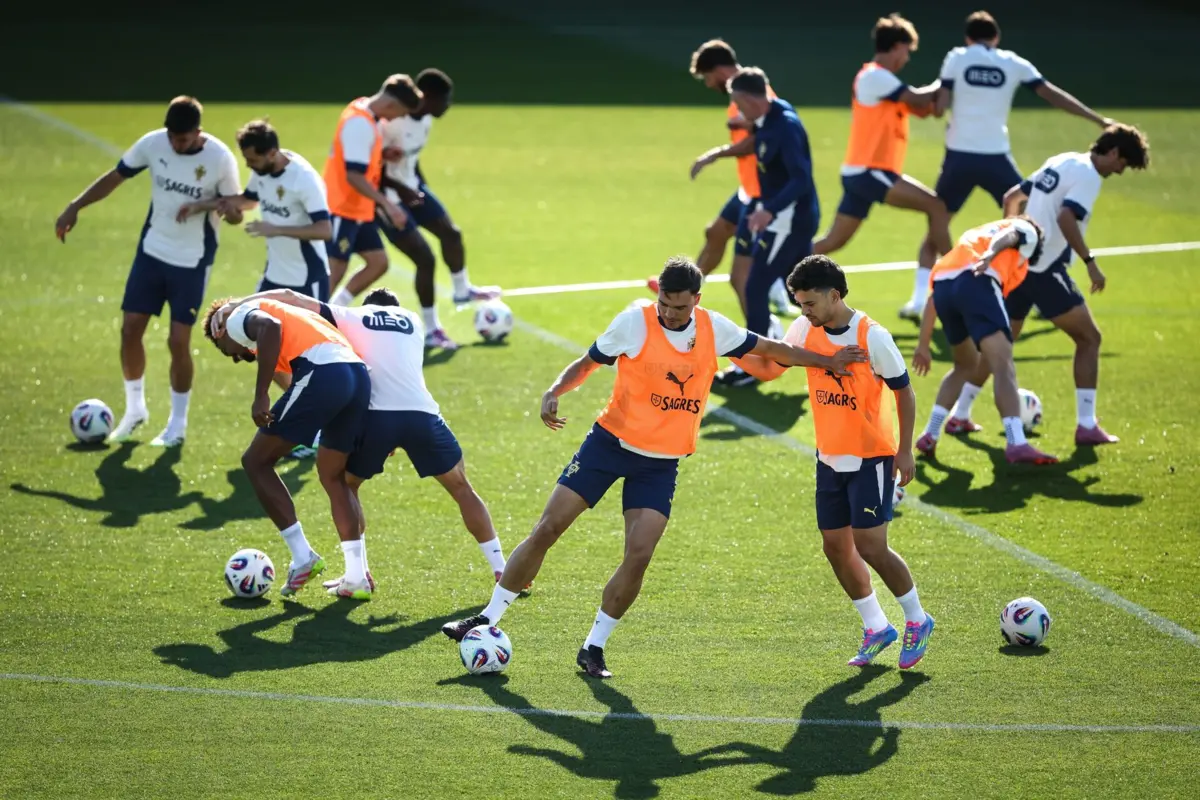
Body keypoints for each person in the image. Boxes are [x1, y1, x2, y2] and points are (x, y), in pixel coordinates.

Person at [439, 256, 868, 678]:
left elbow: (772, 349)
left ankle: (593, 647)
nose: (669, 312)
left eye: (680, 306)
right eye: (665, 302)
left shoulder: (714, 328)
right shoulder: (633, 322)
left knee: (639, 554)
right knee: (548, 529)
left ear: (696, 301)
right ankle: (487, 618)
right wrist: (554, 389)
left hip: (660, 464)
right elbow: (588, 363)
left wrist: (827, 362)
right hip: (609, 445)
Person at [225, 285, 512, 593]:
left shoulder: (351, 315)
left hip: (375, 417)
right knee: (461, 487)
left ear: (369, 306)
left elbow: (293, 299)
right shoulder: (413, 321)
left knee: (345, 484)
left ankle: (357, 575)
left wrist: (239, 304)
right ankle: (503, 570)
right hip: (422, 414)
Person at [735, 255, 933, 669]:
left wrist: (905, 449)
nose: (802, 312)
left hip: (871, 457)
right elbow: (773, 367)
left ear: (834, 296)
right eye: (799, 304)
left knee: (871, 546)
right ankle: (877, 626)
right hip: (830, 457)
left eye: (808, 303)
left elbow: (904, 391)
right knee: (835, 547)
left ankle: (917, 618)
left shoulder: (871, 337)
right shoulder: (806, 328)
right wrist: (727, 348)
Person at [943, 124, 1150, 445]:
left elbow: (1013, 196)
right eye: (1122, 164)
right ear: (1112, 153)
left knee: (999, 346)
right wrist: (1090, 262)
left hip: (1021, 267)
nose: (1120, 172)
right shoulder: (1089, 176)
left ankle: (959, 415)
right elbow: (1067, 218)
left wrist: (1011, 244)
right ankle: (1086, 425)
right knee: (1089, 338)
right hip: (1044, 271)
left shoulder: (1064, 160)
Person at [55, 96, 241, 447]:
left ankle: (178, 424)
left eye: (183, 139)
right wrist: (75, 205)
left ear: (197, 133)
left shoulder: (219, 159)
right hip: (152, 252)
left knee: (178, 341)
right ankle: (135, 408)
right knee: (129, 331)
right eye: (172, 137)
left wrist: (222, 209)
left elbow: (237, 212)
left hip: (192, 261)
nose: (175, 144)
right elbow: (116, 176)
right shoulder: (154, 143)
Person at [905, 11, 1113, 323]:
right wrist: (1098, 120)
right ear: (997, 38)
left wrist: (933, 106)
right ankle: (1047, 292)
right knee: (1035, 220)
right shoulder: (1013, 63)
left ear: (967, 37)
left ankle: (920, 299)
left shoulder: (957, 57)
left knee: (938, 221)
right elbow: (1052, 94)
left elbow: (942, 106)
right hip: (996, 157)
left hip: (959, 158)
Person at [202, 297, 371, 599]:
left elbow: (270, 327)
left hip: (324, 371)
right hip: (357, 374)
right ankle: (356, 577)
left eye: (225, 351)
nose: (237, 358)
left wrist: (261, 394)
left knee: (255, 461)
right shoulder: (279, 312)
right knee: (336, 477)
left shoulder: (236, 318)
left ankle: (303, 557)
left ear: (219, 331)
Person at [812, 13, 951, 323]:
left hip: (865, 173)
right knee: (936, 206)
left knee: (834, 241)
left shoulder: (886, 84)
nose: (907, 59)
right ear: (897, 46)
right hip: (870, 171)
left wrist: (938, 98)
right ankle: (957, 275)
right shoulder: (876, 76)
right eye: (907, 52)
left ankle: (780, 267)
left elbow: (925, 108)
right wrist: (951, 77)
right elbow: (918, 97)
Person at [656, 39, 793, 317]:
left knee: (742, 277)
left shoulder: (753, 94)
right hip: (748, 187)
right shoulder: (740, 95)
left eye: (707, 77)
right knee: (716, 233)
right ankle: (685, 291)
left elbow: (759, 141)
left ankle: (766, 334)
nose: (708, 84)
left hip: (761, 192)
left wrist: (714, 155)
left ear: (719, 70)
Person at [707, 67, 820, 388]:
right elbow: (760, 142)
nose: (737, 111)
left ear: (747, 98)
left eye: (738, 104)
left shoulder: (785, 126)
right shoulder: (772, 117)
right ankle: (835, 349)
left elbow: (801, 178)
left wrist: (768, 211)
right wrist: (720, 153)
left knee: (756, 288)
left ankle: (753, 366)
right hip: (789, 218)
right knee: (805, 289)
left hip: (786, 220)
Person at [911, 217, 1057, 464]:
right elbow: (1012, 236)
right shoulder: (1029, 231)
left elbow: (934, 298)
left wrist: (923, 345)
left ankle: (930, 433)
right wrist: (991, 254)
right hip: (978, 281)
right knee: (1003, 366)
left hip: (945, 288)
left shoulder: (977, 234)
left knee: (965, 366)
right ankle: (1016, 442)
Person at [377, 68, 500, 350]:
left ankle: (461, 292)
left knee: (451, 233)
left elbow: (412, 160)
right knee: (425, 259)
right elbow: (370, 171)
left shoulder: (426, 121)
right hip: (386, 199)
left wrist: (425, 194)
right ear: (427, 97)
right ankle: (432, 330)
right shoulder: (392, 124)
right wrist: (403, 190)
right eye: (446, 99)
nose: (448, 104)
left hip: (411, 188)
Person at [323, 74, 422, 307]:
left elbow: (357, 156)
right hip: (342, 207)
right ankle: (313, 317)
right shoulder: (360, 124)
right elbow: (353, 175)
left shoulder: (366, 113)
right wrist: (388, 205)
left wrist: (382, 155)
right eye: (402, 112)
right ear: (391, 105)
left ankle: (334, 309)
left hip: (358, 208)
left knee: (378, 262)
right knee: (336, 267)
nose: (401, 118)